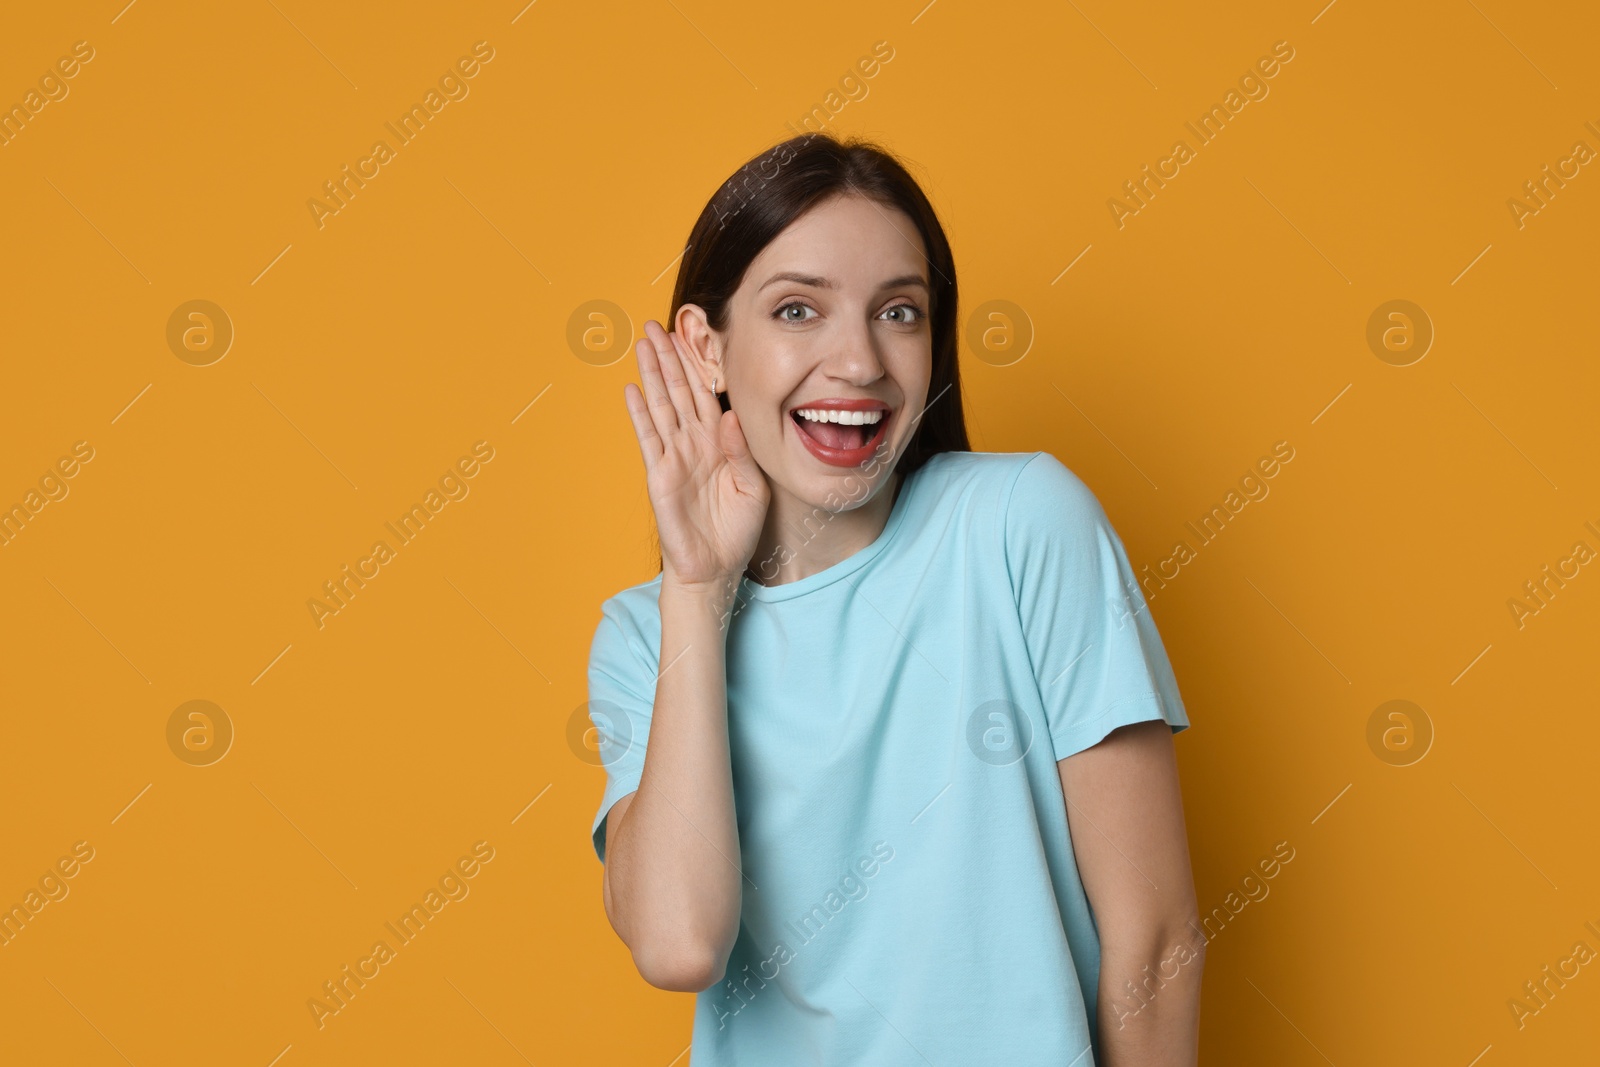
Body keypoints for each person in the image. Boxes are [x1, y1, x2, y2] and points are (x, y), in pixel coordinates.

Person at [586, 131, 1203, 1065]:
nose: (859, 362)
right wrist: (697, 591)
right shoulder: (646, 636)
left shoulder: (1022, 524)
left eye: (899, 313)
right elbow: (679, 942)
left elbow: (1154, 940)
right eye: (798, 309)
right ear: (705, 350)